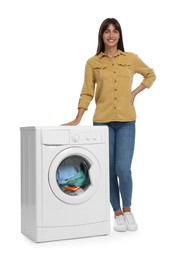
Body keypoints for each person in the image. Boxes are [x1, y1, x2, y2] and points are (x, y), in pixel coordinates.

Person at [63, 18, 156, 232]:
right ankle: (117, 214)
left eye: (115, 31)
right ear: (102, 35)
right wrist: (78, 117)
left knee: (123, 169)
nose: (111, 35)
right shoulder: (93, 62)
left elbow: (151, 74)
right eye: (107, 31)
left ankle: (129, 210)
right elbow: (87, 91)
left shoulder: (131, 59)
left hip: (126, 122)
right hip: (102, 122)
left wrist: (134, 92)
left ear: (120, 35)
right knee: (108, 170)